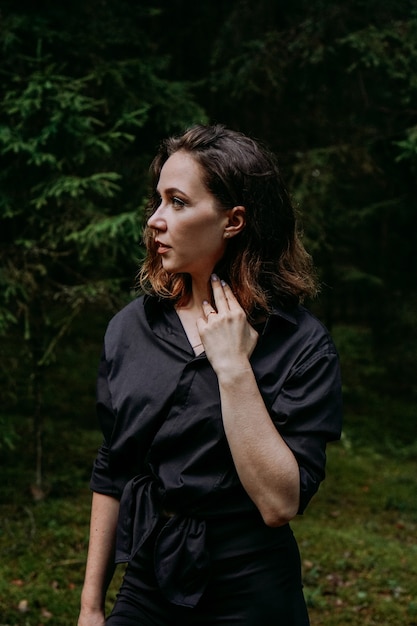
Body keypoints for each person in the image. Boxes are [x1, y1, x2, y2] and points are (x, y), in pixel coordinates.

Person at [78, 124, 342, 626]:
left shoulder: (301, 345)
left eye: (177, 202)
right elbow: (113, 466)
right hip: (149, 573)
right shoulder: (130, 329)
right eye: (157, 201)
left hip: (251, 586)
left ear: (232, 221)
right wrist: (91, 606)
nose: (155, 220)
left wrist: (234, 368)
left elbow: (279, 502)